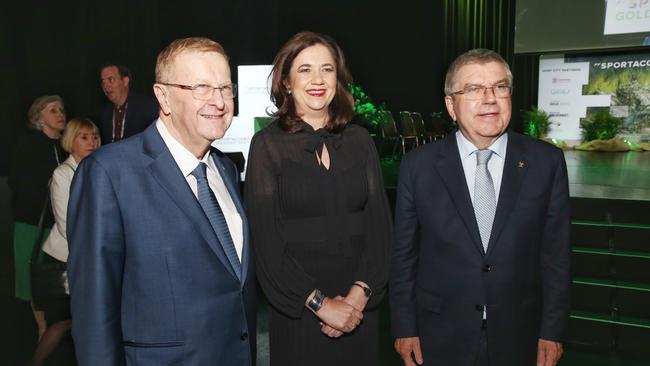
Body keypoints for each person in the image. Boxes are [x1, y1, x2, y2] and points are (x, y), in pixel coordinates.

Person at [68, 37, 255, 365]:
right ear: (163, 96)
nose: (219, 101)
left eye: (225, 88)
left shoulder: (225, 168)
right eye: (201, 87)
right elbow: (93, 314)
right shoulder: (109, 173)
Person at [390, 48, 571, 366]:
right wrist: (405, 328)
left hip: (520, 335)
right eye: (474, 89)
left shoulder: (546, 162)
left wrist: (552, 331)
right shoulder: (417, 166)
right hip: (439, 335)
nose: (490, 99)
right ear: (451, 105)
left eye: (500, 87)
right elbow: (404, 257)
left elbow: (556, 256)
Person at [245, 31, 393, 365]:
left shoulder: (359, 140)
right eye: (305, 69)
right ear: (286, 82)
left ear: (338, 79)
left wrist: (356, 299)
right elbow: (266, 244)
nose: (317, 80)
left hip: (360, 309)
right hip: (300, 311)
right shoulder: (267, 146)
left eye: (327, 69)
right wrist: (323, 306)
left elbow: (380, 229)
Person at [30, 117, 100, 366]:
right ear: (71, 141)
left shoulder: (97, 169)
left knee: (83, 322)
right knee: (61, 323)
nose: (91, 142)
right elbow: (66, 224)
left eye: (94, 137)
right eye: (84, 137)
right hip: (64, 260)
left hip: (89, 258)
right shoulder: (62, 174)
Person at [8, 95, 67, 341]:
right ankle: (42, 331)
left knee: (57, 280)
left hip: (60, 225)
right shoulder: (29, 144)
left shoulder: (65, 146)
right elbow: (19, 182)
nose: (60, 113)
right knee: (32, 277)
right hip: (32, 222)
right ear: (39, 118)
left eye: (62, 109)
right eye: (53, 110)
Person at [99, 63, 159, 143]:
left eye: (110, 79)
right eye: (103, 82)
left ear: (125, 81)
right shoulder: (105, 113)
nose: (106, 86)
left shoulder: (147, 107)